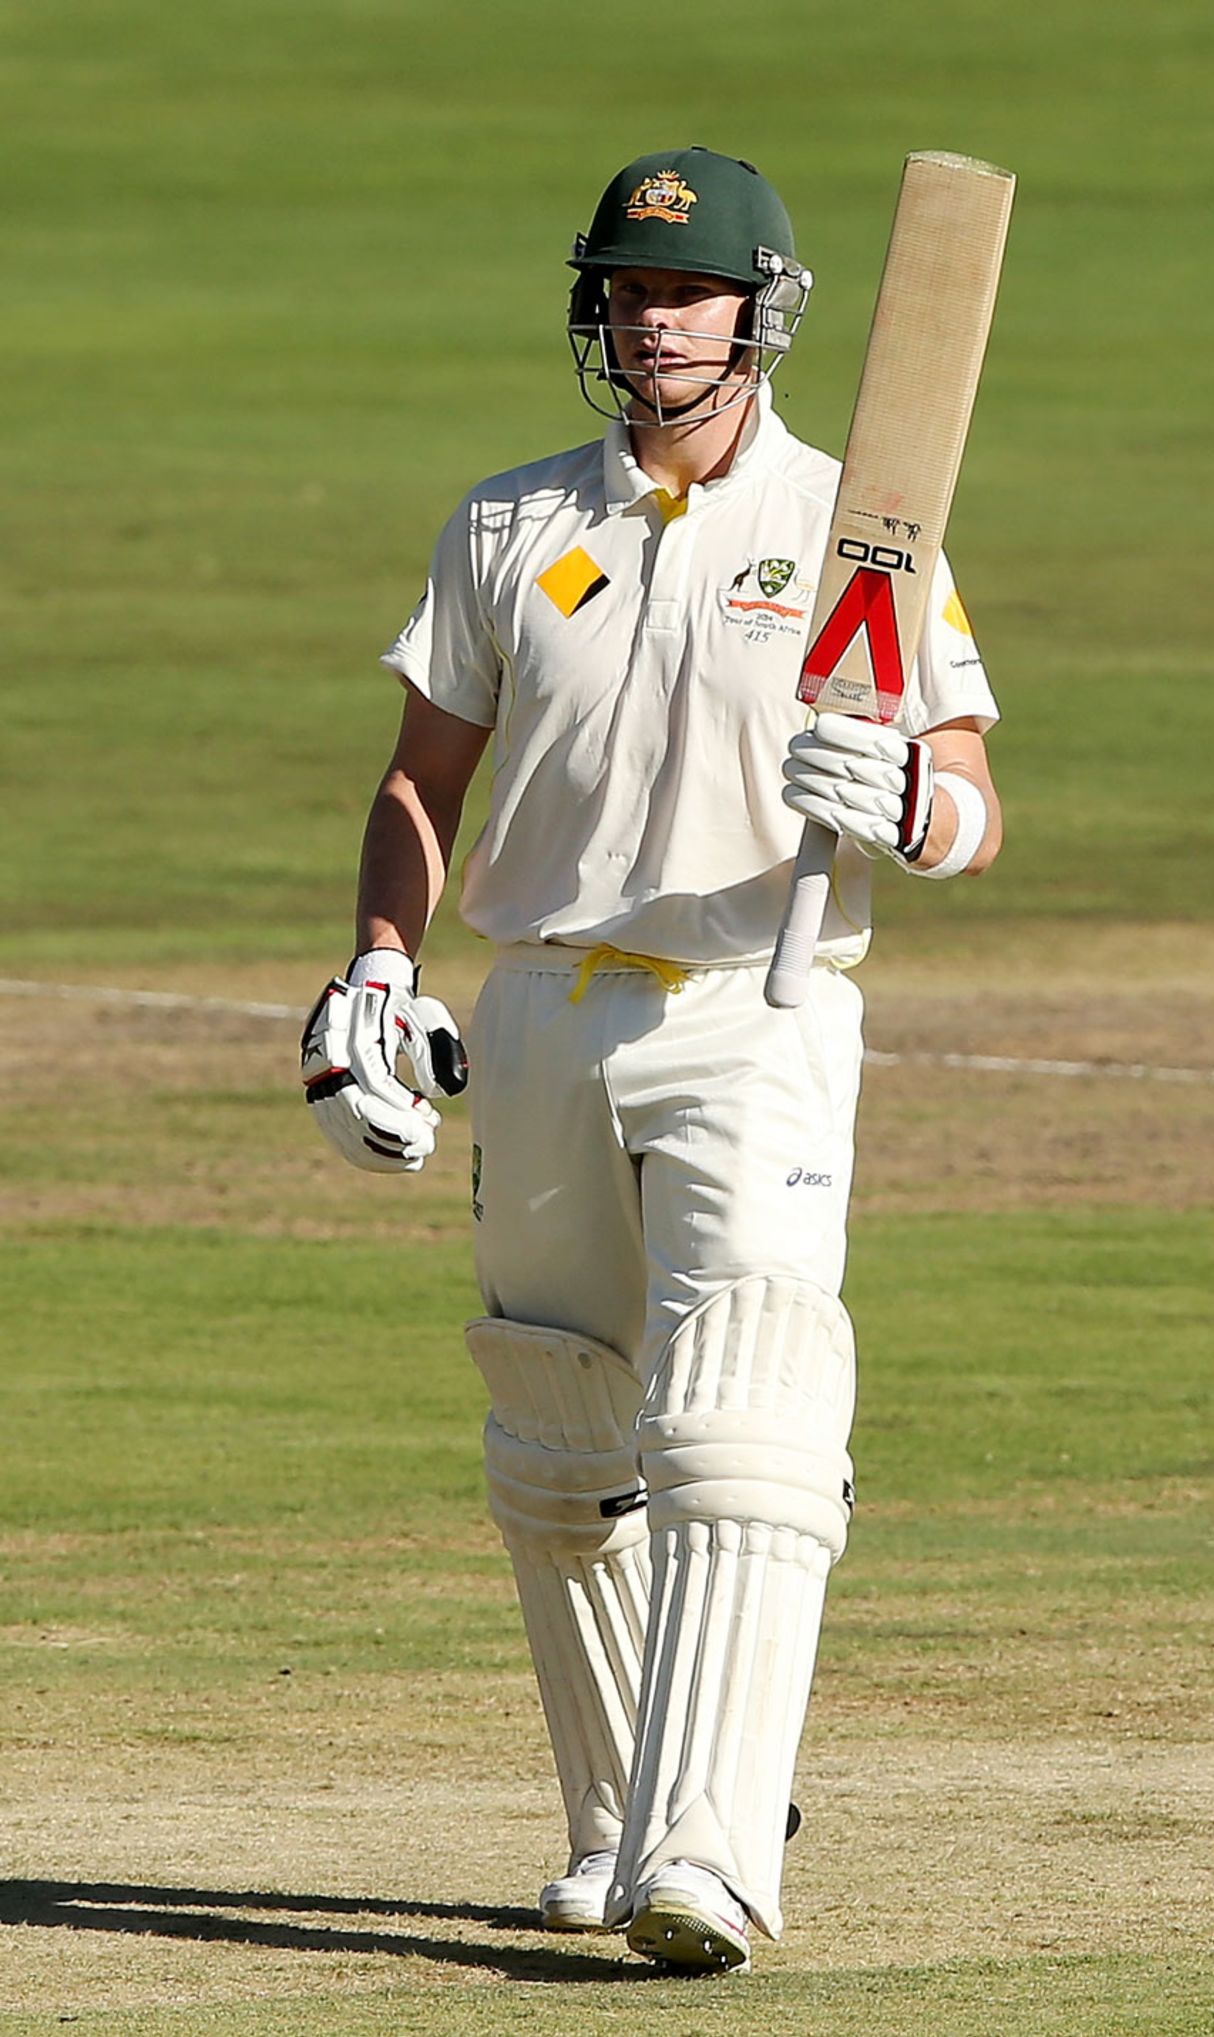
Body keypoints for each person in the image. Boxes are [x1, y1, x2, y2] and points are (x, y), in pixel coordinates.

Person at [301, 145, 1002, 1975]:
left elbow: (977, 795)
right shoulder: (512, 523)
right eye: (625, 287)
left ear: (760, 315)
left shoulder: (866, 529)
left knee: (746, 1412)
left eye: (685, 292)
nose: (650, 317)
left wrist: (916, 801)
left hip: (753, 1009)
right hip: (538, 1009)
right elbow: (417, 782)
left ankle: (713, 1853)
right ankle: (621, 1824)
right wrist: (381, 956)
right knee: (557, 1431)